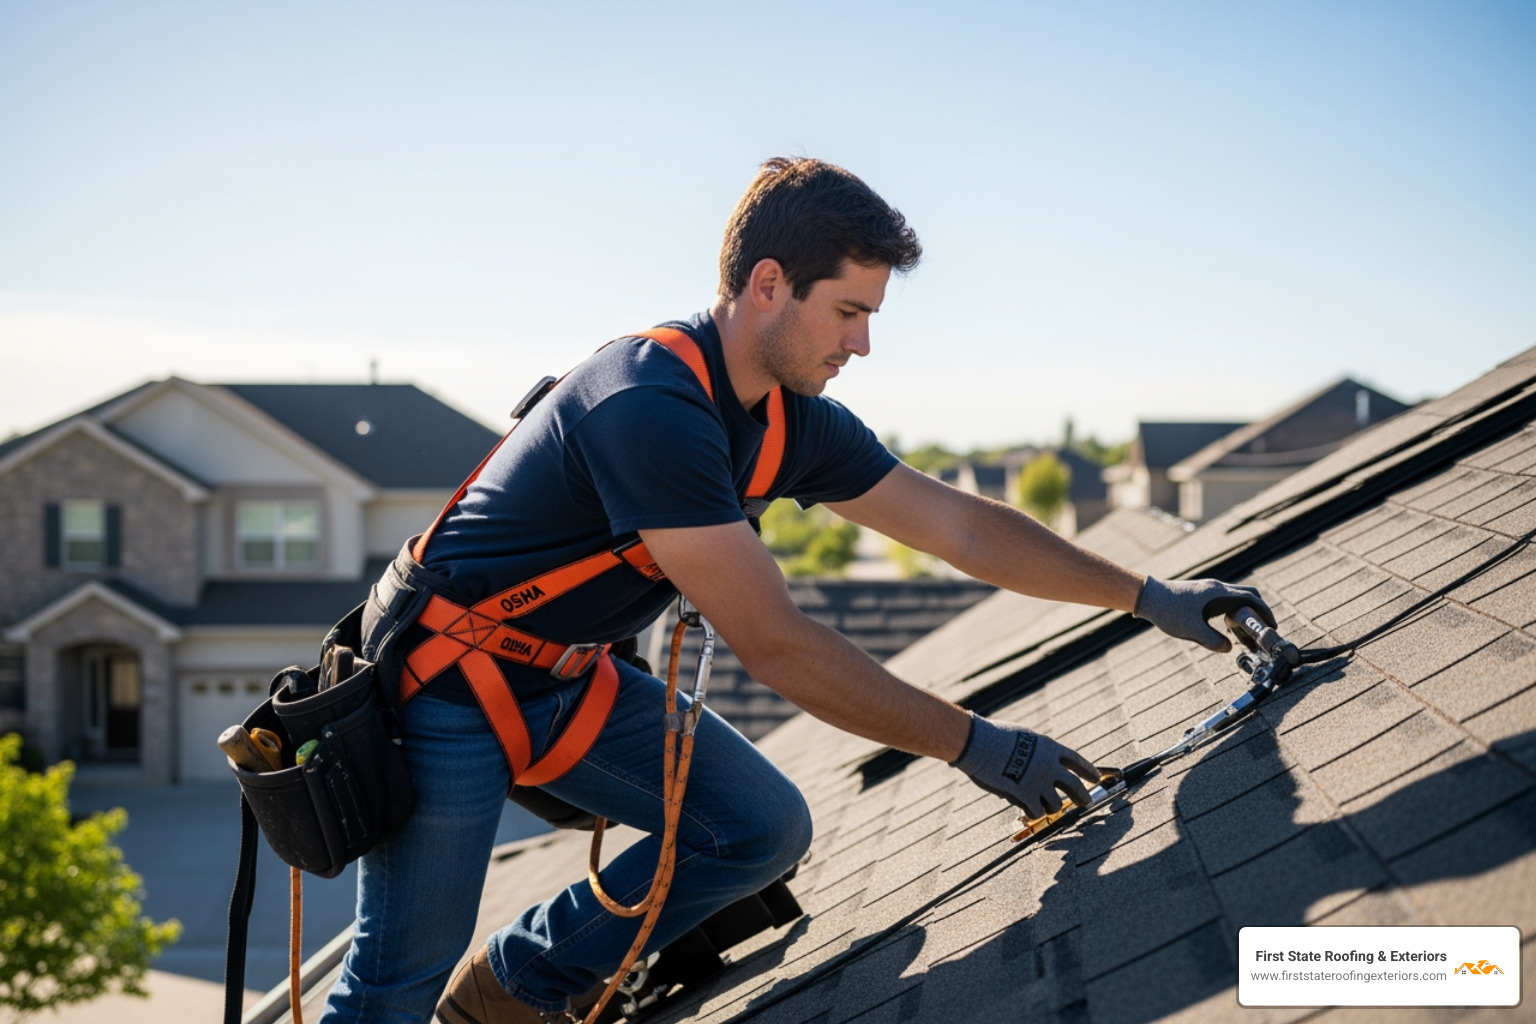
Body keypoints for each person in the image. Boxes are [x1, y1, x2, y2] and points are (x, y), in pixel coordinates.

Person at [317, 157, 1273, 1024]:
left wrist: (1149, 595)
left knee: (758, 830)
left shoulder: (791, 420)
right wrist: (974, 745)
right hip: (444, 686)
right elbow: (773, 644)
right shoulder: (646, 403)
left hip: (565, 680)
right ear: (767, 285)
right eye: (848, 312)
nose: (861, 345)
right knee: (396, 979)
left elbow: (963, 527)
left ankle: (515, 991)